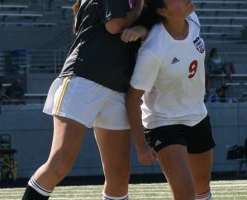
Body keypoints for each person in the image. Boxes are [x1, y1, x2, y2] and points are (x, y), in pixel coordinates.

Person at [22, 0, 150, 200]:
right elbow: (114, 25)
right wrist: (139, 10)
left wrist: (142, 27)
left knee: (118, 178)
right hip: (83, 79)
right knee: (59, 164)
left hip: (117, 86)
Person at [126, 0, 216, 199]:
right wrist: (141, 145)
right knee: (185, 193)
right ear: (162, 11)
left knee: (203, 188)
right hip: (164, 122)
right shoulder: (153, 50)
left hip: (198, 116)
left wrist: (143, 28)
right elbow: (132, 100)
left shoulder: (191, 19)